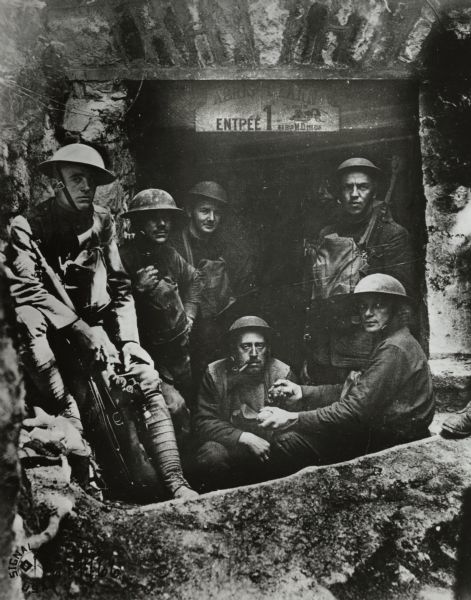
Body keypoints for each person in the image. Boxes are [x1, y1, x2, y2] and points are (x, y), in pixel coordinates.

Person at [6, 143, 197, 500]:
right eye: (76, 179)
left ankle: (176, 481)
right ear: (56, 183)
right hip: (54, 341)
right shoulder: (27, 226)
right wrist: (79, 329)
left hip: (101, 333)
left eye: (90, 181)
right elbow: (26, 289)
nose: (85, 188)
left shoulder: (102, 221)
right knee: (27, 319)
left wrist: (129, 343)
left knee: (146, 377)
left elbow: (121, 288)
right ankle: (66, 410)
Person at [257, 274, 434, 474]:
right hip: (382, 434)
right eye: (363, 306)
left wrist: (291, 418)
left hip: (393, 443)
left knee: (287, 441)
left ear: (396, 309)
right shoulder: (392, 340)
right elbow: (358, 391)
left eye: (378, 306)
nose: (368, 313)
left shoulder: (394, 349)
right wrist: (302, 392)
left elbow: (353, 411)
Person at [303, 157, 415, 384]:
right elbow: (314, 291)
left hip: (366, 348)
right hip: (326, 346)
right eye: (348, 187)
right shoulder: (328, 232)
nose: (354, 194)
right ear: (339, 192)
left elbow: (400, 300)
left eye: (362, 187)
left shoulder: (392, 235)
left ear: (373, 191)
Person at [119, 189, 202, 412]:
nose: (162, 224)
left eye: (166, 218)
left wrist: (190, 315)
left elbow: (194, 278)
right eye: (153, 219)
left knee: (189, 405)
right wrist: (138, 288)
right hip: (149, 355)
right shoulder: (123, 258)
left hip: (179, 351)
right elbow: (113, 308)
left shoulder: (168, 254)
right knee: (166, 410)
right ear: (138, 224)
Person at [192, 316, 297, 490]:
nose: (254, 354)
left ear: (268, 349)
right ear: (233, 350)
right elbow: (203, 422)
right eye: (246, 347)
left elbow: (296, 421)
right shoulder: (215, 374)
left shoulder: (283, 373)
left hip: (270, 452)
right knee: (211, 454)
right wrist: (244, 437)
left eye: (260, 346)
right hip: (232, 451)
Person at [171, 181, 256, 379]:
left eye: (216, 213)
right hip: (183, 332)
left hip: (213, 333)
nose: (211, 218)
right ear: (190, 211)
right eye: (204, 211)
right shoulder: (175, 246)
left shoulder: (222, 246)